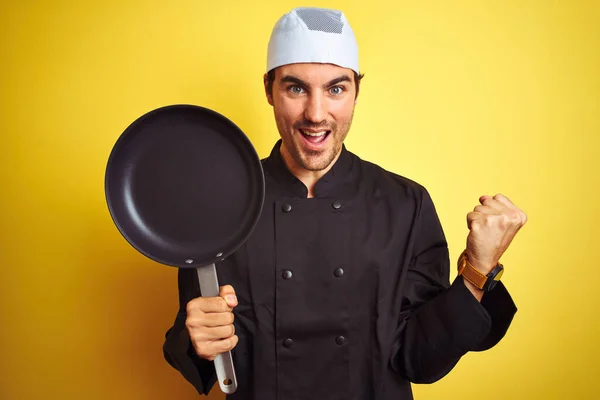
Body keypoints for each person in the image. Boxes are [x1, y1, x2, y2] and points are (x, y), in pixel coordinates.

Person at [162, 6, 527, 400]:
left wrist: (478, 268)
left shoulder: (406, 204)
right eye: (296, 88)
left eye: (335, 88)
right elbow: (199, 346)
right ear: (269, 89)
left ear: (356, 92)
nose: (316, 114)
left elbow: (422, 360)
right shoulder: (221, 210)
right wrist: (196, 335)